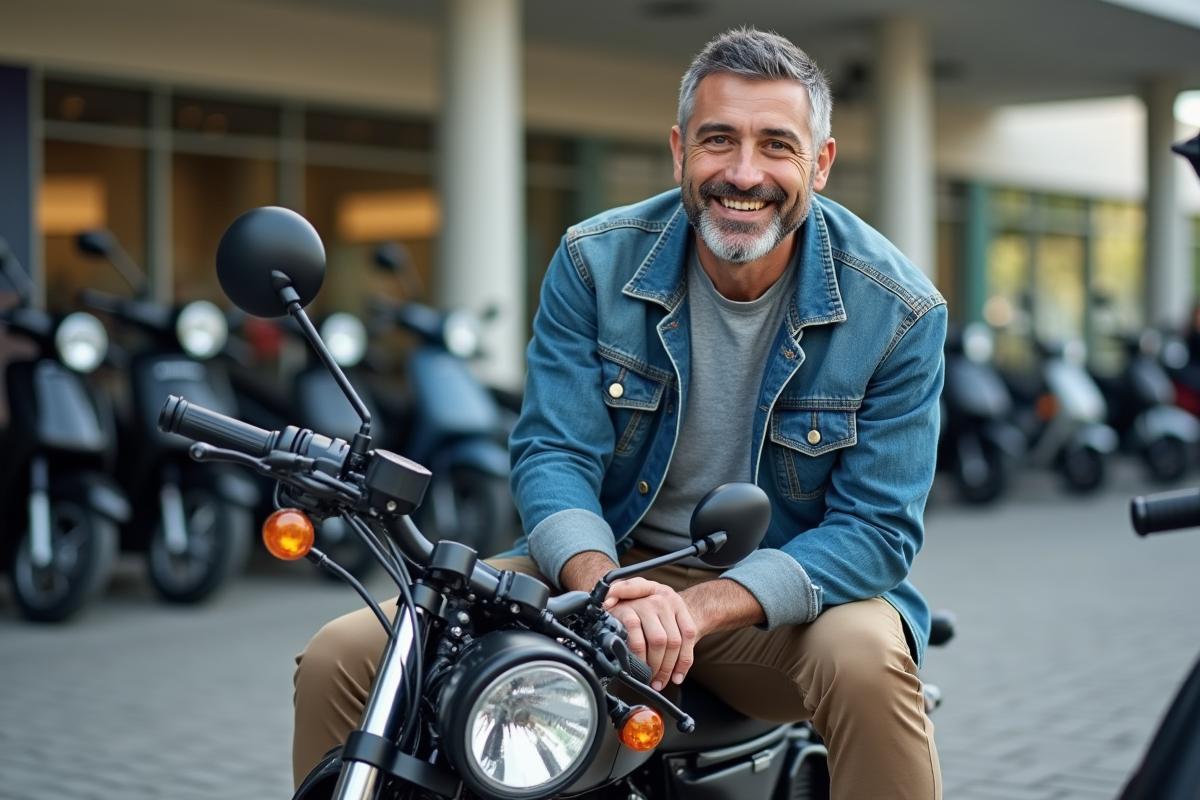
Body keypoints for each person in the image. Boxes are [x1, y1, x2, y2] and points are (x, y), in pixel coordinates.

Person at [292, 27, 945, 799]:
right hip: (599, 569)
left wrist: (697, 607)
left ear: (820, 164)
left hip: (773, 603)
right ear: (678, 152)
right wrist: (605, 586)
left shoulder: (898, 310)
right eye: (717, 140)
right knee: (348, 651)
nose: (744, 172)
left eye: (776, 145)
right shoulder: (592, 261)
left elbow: (876, 531)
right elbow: (554, 454)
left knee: (866, 660)